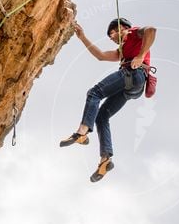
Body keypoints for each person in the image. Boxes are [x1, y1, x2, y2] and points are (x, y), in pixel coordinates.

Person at [60, 17, 156, 182]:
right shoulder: (122, 51)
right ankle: (105, 160)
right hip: (133, 87)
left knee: (94, 92)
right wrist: (82, 37)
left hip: (135, 74)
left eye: (113, 31)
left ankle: (82, 133)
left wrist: (140, 55)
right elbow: (101, 56)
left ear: (123, 28)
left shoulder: (134, 33)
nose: (111, 36)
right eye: (110, 35)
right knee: (102, 116)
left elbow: (151, 30)